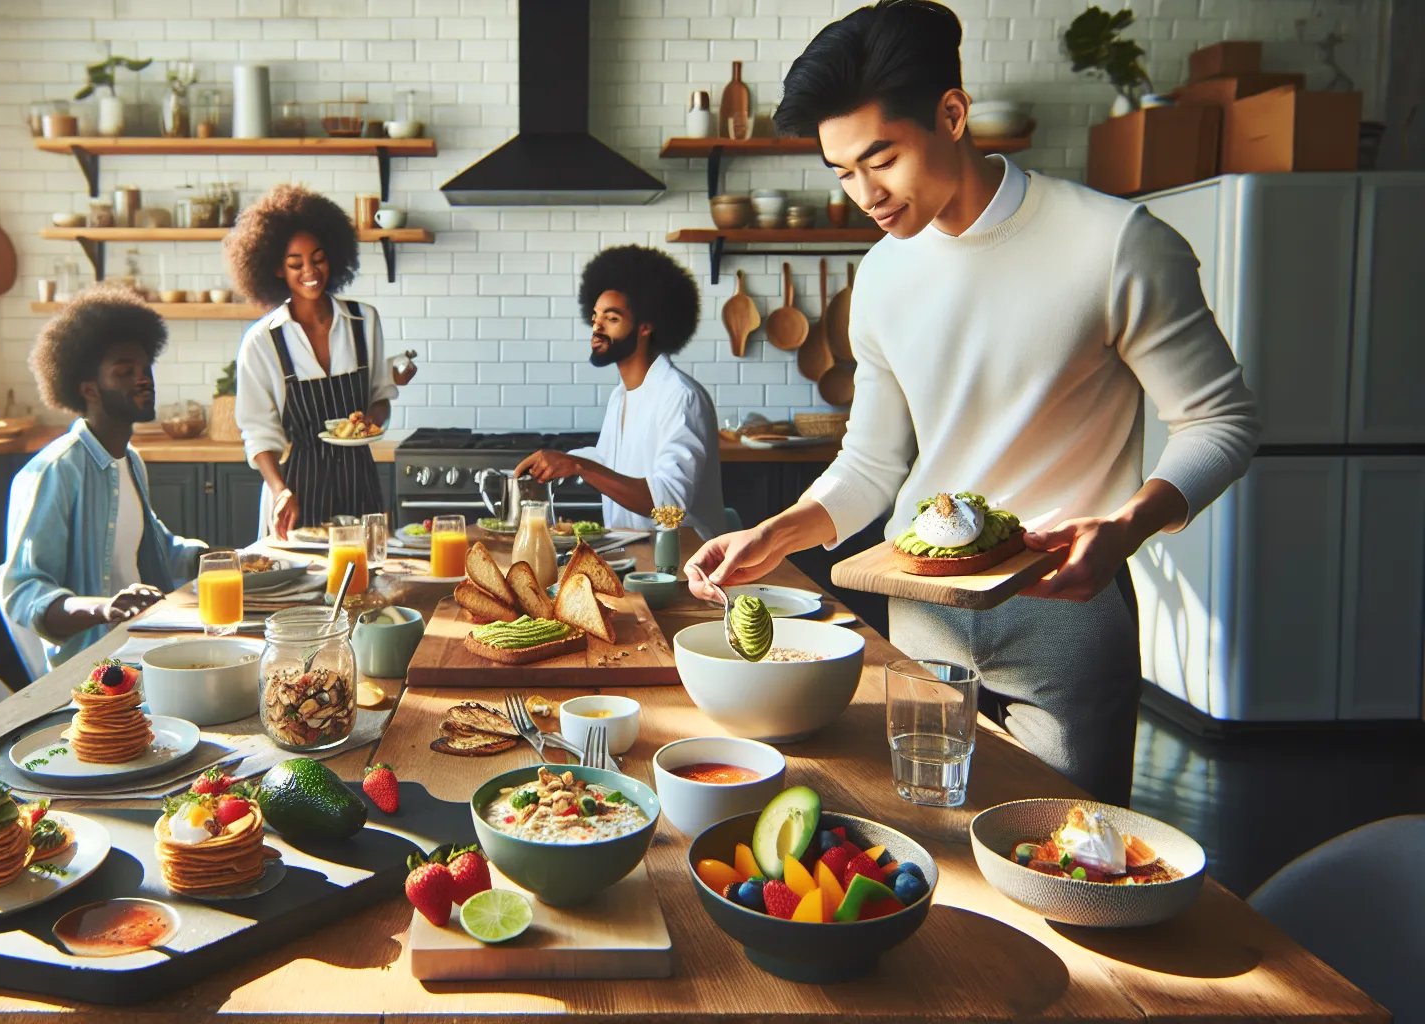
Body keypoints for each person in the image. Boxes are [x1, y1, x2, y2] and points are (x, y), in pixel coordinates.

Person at [685, 0, 1260, 805]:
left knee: (1068, 857)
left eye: (880, 158)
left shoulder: (1116, 243)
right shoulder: (882, 276)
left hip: (1065, 609)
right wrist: (776, 534)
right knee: (928, 851)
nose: (865, 194)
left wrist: (1128, 525)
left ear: (952, 114)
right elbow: (873, 461)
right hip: (918, 612)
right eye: (843, 172)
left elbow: (1221, 419)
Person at [0, 287, 207, 669]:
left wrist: (226, 560)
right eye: (125, 371)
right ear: (88, 388)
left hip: (145, 645)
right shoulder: (56, 471)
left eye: (145, 369)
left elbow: (159, 547)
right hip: (94, 667)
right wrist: (105, 609)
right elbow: (23, 589)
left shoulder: (129, 460)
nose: (144, 380)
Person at [515, 245, 727, 539]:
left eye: (612, 319)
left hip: (685, 563)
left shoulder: (680, 398)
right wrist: (562, 462)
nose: (597, 327)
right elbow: (611, 461)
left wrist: (578, 465)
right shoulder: (622, 395)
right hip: (635, 554)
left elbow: (670, 505)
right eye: (595, 317)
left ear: (646, 326)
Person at [225, 184, 396, 539]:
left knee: (366, 584)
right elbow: (258, 432)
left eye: (318, 258)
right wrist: (279, 490)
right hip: (298, 490)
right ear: (276, 269)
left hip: (359, 482)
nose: (310, 271)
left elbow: (380, 395)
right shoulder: (262, 341)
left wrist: (370, 422)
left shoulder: (364, 322)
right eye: (295, 263)